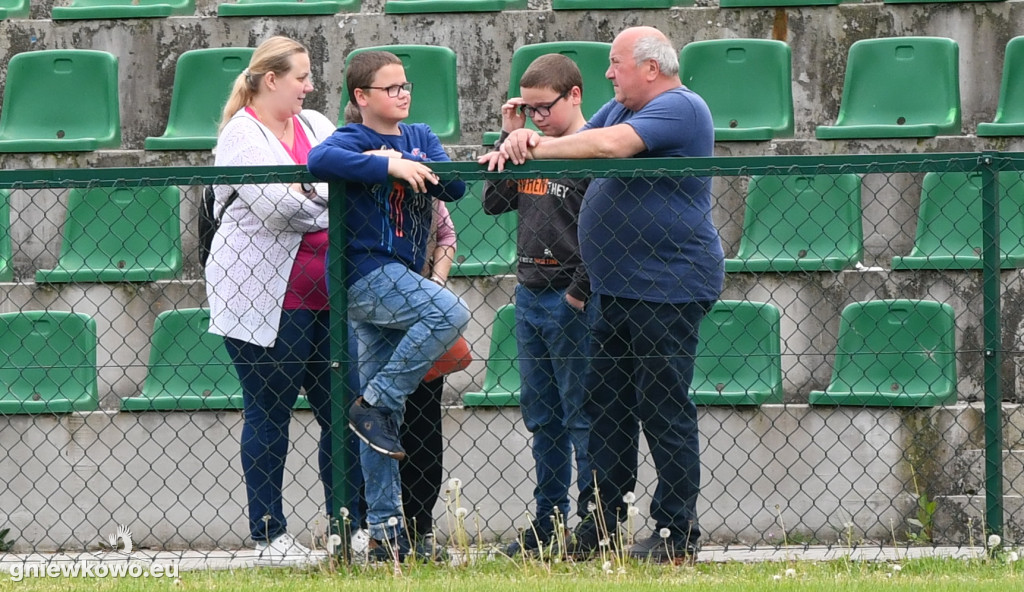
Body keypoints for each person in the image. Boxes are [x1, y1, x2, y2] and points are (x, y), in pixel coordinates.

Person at [479, 26, 725, 563]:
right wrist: (521, 140)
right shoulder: (620, 107)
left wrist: (535, 143)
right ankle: (602, 525)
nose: (608, 73)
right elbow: (578, 144)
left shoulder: (680, 107)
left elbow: (608, 146)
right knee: (607, 410)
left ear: (651, 68)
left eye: (616, 63)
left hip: (667, 285)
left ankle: (675, 532)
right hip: (614, 288)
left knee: (662, 409)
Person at [307, 50, 469, 561]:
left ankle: (385, 532)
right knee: (450, 312)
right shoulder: (352, 138)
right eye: (390, 88)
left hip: (401, 277)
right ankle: (375, 402)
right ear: (361, 96)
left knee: (383, 424)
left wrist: (410, 159)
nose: (402, 95)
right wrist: (388, 164)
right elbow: (318, 161)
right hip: (364, 274)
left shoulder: (420, 135)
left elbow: (455, 185)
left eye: (405, 86)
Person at [206, 36, 338, 567]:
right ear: (271, 79)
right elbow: (275, 208)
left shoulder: (317, 125)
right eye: (301, 77)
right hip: (262, 298)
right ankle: (269, 534)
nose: (310, 86)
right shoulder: (241, 135)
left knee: (339, 411)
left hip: (328, 295)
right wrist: (328, 195)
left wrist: (309, 193)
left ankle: (346, 525)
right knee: (270, 411)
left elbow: (349, 184)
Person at [481, 54, 593, 557]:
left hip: (571, 297)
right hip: (529, 293)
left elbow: (605, 235)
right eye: (529, 109)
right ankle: (548, 522)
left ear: (574, 95)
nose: (538, 118)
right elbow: (494, 202)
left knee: (581, 415)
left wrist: (577, 294)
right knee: (543, 416)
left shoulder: (592, 149)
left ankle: (594, 525)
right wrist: (509, 136)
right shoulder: (528, 146)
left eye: (544, 107)